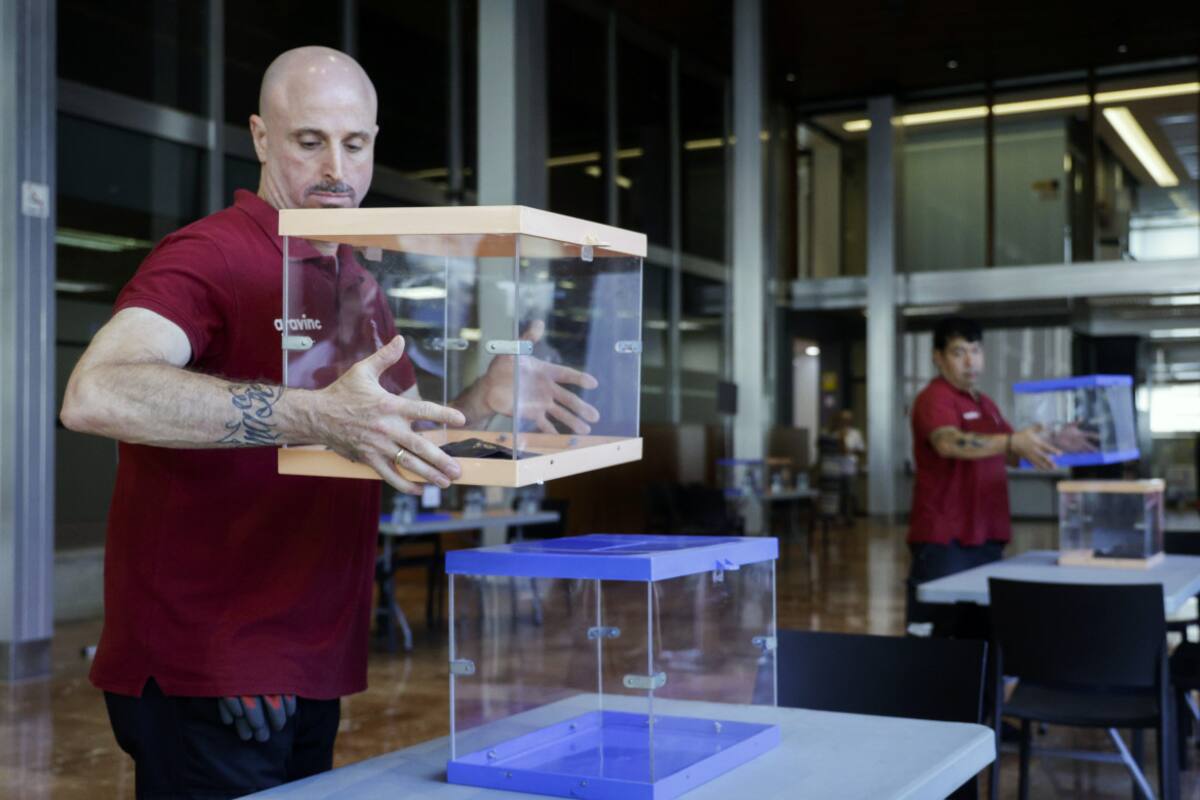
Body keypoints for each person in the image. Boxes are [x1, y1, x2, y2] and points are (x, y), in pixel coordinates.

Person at [60, 46, 596, 799]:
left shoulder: (357, 281)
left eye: (355, 143)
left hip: (306, 658)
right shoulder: (211, 255)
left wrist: (486, 395)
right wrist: (313, 413)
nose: (336, 168)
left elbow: (398, 431)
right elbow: (97, 391)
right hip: (214, 667)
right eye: (309, 141)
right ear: (260, 138)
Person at [905, 317, 1061, 635]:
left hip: (986, 538)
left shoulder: (985, 404)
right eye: (958, 352)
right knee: (938, 639)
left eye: (975, 351)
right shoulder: (934, 398)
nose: (969, 361)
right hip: (945, 541)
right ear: (938, 357)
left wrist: (1057, 440)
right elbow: (948, 442)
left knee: (983, 637)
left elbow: (1014, 454)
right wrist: (1011, 441)